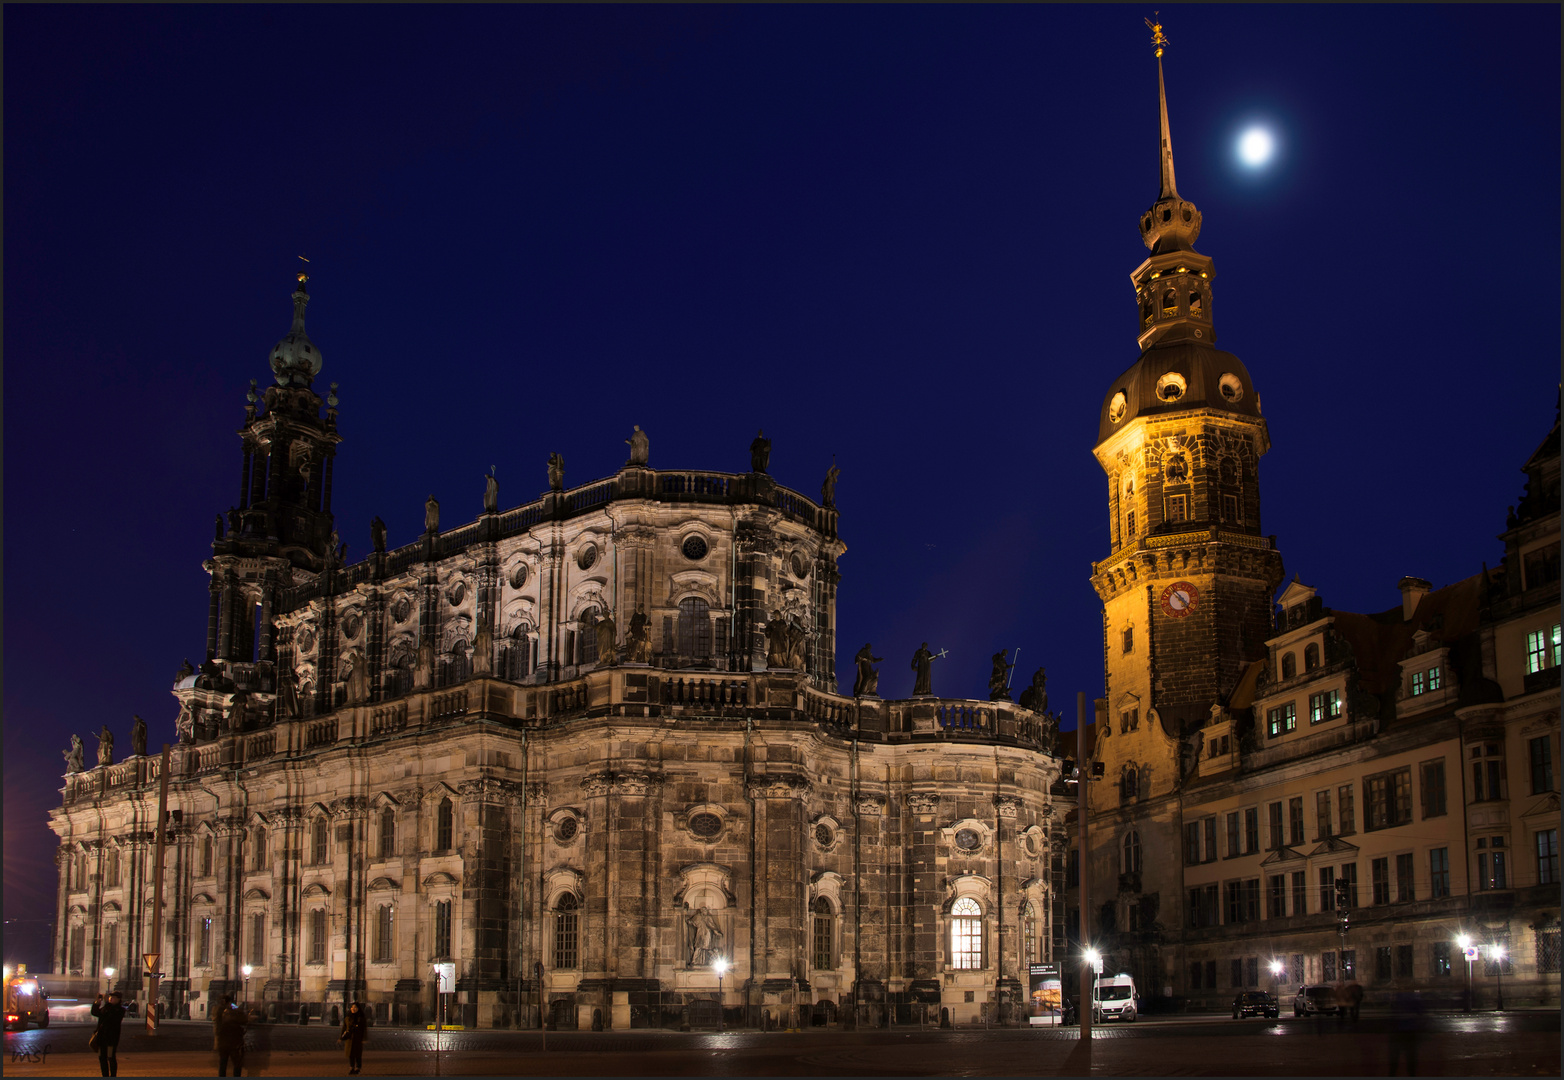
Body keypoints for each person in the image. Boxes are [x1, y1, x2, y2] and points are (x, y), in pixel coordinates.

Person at [91, 990, 126, 1077]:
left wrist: (107, 1003)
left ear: (118, 999)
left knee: (111, 1057)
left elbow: (111, 1017)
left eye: (113, 997)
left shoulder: (120, 1010)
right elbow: (95, 1013)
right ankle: (105, 1075)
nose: (111, 999)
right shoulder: (106, 1008)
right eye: (110, 997)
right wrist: (97, 1003)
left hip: (111, 1038)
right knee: (102, 1058)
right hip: (101, 1037)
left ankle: (113, 1075)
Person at [214, 992, 247, 1076]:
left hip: (223, 1041)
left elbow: (217, 1026)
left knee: (223, 1063)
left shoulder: (218, 1010)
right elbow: (243, 1019)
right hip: (233, 1042)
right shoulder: (233, 1010)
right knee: (236, 1063)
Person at [339, 999, 368, 1075]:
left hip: (358, 1039)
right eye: (352, 1007)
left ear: (358, 1009)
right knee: (350, 1054)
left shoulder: (361, 1018)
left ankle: (358, 1068)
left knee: (358, 1054)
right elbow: (344, 1028)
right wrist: (340, 1037)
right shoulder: (347, 1018)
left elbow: (364, 1029)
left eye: (355, 1007)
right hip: (350, 1039)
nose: (353, 1009)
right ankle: (351, 1067)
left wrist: (364, 1038)